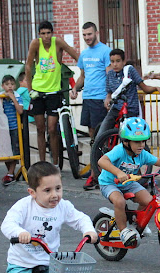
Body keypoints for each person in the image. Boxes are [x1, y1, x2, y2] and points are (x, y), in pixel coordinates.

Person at [97, 117, 160, 246]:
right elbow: (102, 161)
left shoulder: (142, 154)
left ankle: (136, 223)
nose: (141, 145)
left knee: (148, 200)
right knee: (119, 201)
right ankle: (123, 231)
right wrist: (119, 172)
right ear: (126, 142)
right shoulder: (119, 150)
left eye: (143, 141)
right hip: (109, 183)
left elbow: (157, 161)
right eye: (137, 142)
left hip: (128, 183)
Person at [25, 20, 79, 164]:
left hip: (54, 92)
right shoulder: (35, 44)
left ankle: (55, 164)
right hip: (38, 91)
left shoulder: (58, 43)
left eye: (48, 33)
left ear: (52, 33)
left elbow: (77, 57)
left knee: (52, 129)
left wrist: (83, 76)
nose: (46, 36)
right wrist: (30, 90)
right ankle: (42, 164)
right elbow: (28, 66)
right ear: (39, 34)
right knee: (40, 128)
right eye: (43, 33)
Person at [71, 22, 112, 190]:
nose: (87, 37)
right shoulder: (84, 54)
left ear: (96, 32)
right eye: (84, 35)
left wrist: (109, 95)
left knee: (101, 138)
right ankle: (96, 168)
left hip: (100, 99)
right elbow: (82, 76)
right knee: (92, 136)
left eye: (89, 34)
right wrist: (75, 88)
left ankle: (100, 173)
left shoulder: (105, 51)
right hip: (87, 97)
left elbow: (110, 75)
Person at [95, 49, 160, 140]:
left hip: (130, 109)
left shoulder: (130, 70)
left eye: (118, 61)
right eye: (112, 61)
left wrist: (156, 88)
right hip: (116, 108)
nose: (115, 64)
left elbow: (144, 87)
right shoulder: (110, 74)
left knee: (128, 137)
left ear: (124, 61)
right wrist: (107, 99)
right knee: (101, 134)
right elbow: (109, 93)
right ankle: (101, 151)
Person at [1, 75, 28, 186]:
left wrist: (13, 99)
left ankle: (11, 173)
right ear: (3, 86)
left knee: (15, 149)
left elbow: (20, 110)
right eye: (7, 84)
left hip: (14, 126)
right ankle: (10, 172)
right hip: (3, 127)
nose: (10, 87)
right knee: (5, 150)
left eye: (12, 84)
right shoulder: (0, 96)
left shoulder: (17, 96)